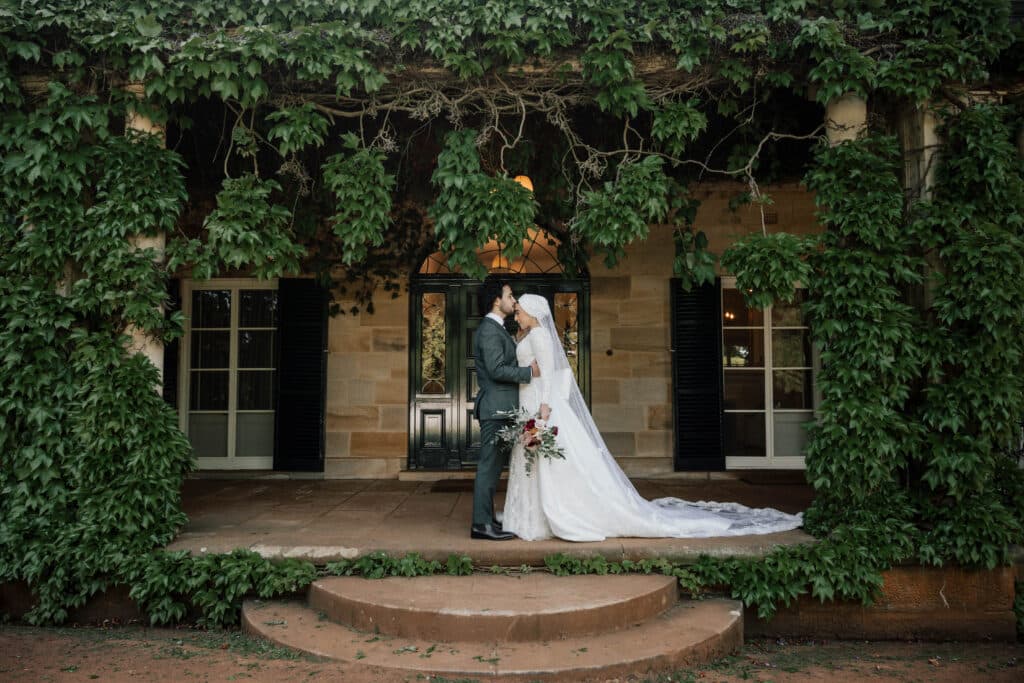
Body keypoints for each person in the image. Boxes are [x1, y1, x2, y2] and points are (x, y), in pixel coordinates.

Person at [502, 293, 804, 542]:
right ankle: (530, 515)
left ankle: (550, 514)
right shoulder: (529, 334)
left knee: (548, 461)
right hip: (529, 401)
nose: (518, 315)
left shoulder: (540, 336)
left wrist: (544, 409)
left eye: (520, 311)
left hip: (540, 404)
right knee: (536, 460)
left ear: (533, 312)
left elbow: (549, 376)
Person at [470, 278, 539, 541]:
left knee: (494, 468)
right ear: (497, 300)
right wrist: (528, 372)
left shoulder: (496, 328)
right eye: (510, 296)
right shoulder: (489, 330)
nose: (513, 301)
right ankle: (480, 525)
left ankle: (487, 520)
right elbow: (496, 369)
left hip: (502, 408)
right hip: (495, 409)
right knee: (489, 467)